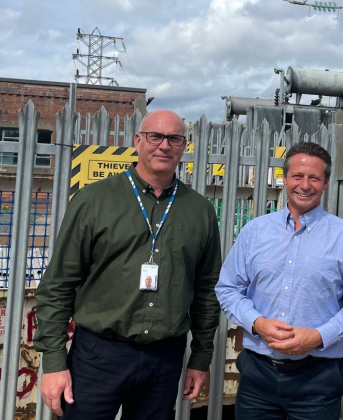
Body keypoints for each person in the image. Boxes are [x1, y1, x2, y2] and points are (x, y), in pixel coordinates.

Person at [34, 110, 222, 419]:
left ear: (183, 146)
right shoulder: (94, 200)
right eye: (155, 136)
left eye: (174, 138)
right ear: (138, 141)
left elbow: (206, 292)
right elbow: (58, 284)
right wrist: (54, 363)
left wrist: (201, 357)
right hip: (98, 355)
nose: (164, 145)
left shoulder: (200, 211)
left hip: (165, 357)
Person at [216, 141, 343, 420]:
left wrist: (318, 336)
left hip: (317, 377)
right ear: (284, 179)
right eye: (298, 176)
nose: (305, 185)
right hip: (257, 375)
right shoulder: (255, 231)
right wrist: (258, 323)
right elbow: (228, 289)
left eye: (314, 177)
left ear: (326, 182)